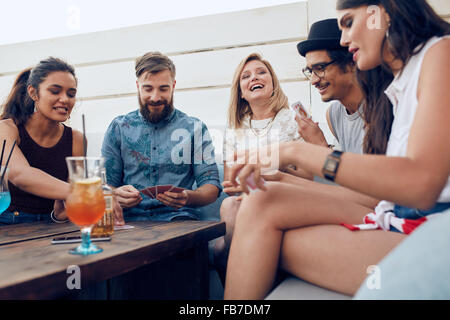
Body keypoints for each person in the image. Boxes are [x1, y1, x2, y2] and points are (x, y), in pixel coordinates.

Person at [223, 0, 450, 299]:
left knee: (259, 230)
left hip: (428, 232)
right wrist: (280, 177)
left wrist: (296, 151)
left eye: (348, 23)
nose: (343, 39)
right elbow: (382, 196)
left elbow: (420, 186)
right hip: (395, 217)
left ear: (383, 12)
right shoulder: (400, 84)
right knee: (261, 204)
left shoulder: (440, 54)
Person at [214, 53, 304, 283]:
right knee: (228, 205)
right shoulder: (235, 127)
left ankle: (242, 279)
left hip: (284, 196)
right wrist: (248, 179)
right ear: (241, 92)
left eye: (261, 72)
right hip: (247, 200)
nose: (254, 77)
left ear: (272, 82)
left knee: (220, 248)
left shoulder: (293, 119)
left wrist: (273, 168)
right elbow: (229, 184)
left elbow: (308, 177)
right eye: (246, 76)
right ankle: (243, 279)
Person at [101, 51, 221, 222]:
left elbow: (211, 187)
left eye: (163, 88)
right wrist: (114, 194)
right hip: (129, 221)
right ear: (137, 86)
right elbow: (103, 185)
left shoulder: (195, 128)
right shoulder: (118, 128)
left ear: (173, 86)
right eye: (148, 88)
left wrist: (188, 197)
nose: (155, 97)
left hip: (179, 219)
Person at [0, 57, 113, 225]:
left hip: (52, 228)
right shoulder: (7, 129)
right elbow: (20, 175)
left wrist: (62, 213)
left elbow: (67, 205)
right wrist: (85, 192)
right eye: (55, 91)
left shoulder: (77, 139)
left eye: (71, 94)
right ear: (33, 93)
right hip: (8, 223)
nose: (65, 99)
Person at [297, 18, 366, 154]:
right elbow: (346, 169)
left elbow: (367, 174)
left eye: (320, 68)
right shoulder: (333, 114)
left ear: (351, 63)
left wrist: (320, 146)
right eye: (310, 71)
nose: (313, 81)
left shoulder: (384, 107)